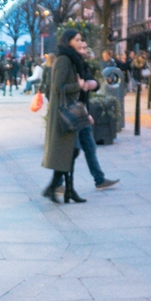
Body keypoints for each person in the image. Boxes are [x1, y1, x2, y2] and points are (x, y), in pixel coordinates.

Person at [42, 29, 91, 204]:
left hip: (71, 112)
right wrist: (77, 86)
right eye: (77, 39)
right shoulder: (63, 60)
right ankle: (56, 187)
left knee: (71, 151)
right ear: (68, 41)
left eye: (81, 39)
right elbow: (57, 87)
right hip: (63, 113)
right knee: (71, 151)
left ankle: (66, 189)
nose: (80, 42)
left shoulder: (73, 59)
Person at [77, 40, 120, 191]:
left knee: (90, 147)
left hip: (83, 112)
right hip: (75, 113)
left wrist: (92, 84)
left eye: (84, 47)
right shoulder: (70, 63)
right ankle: (56, 183)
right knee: (73, 151)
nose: (84, 50)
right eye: (80, 47)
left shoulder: (82, 63)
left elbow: (92, 82)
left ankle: (99, 179)